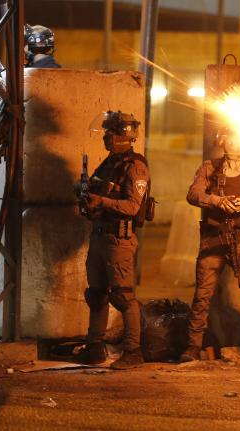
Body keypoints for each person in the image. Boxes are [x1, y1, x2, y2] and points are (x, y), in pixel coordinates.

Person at [179, 127, 240, 365]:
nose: (233, 143)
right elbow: (193, 194)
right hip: (214, 237)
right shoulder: (209, 167)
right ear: (222, 140)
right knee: (202, 295)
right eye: (229, 137)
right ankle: (193, 346)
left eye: (239, 138)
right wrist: (217, 201)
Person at [75, 111, 150, 370]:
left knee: (123, 296)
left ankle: (133, 350)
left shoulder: (135, 166)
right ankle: (95, 346)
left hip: (120, 238)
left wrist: (102, 201)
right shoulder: (110, 163)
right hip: (100, 235)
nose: (105, 137)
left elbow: (131, 206)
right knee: (96, 294)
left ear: (122, 136)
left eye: (110, 132)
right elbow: (97, 190)